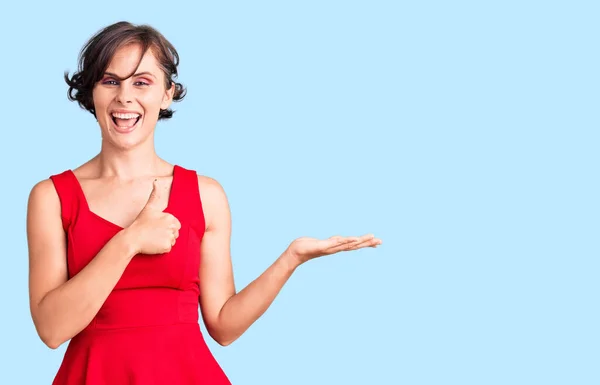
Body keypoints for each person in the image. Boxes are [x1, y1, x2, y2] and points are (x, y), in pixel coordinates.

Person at [26, 21, 382, 384]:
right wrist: (130, 241)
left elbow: (224, 326)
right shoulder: (52, 197)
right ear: (92, 93)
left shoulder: (205, 195)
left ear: (167, 94)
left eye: (142, 82)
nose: (125, 97)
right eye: (110, 81)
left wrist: (291, 259)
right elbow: (53, 330)